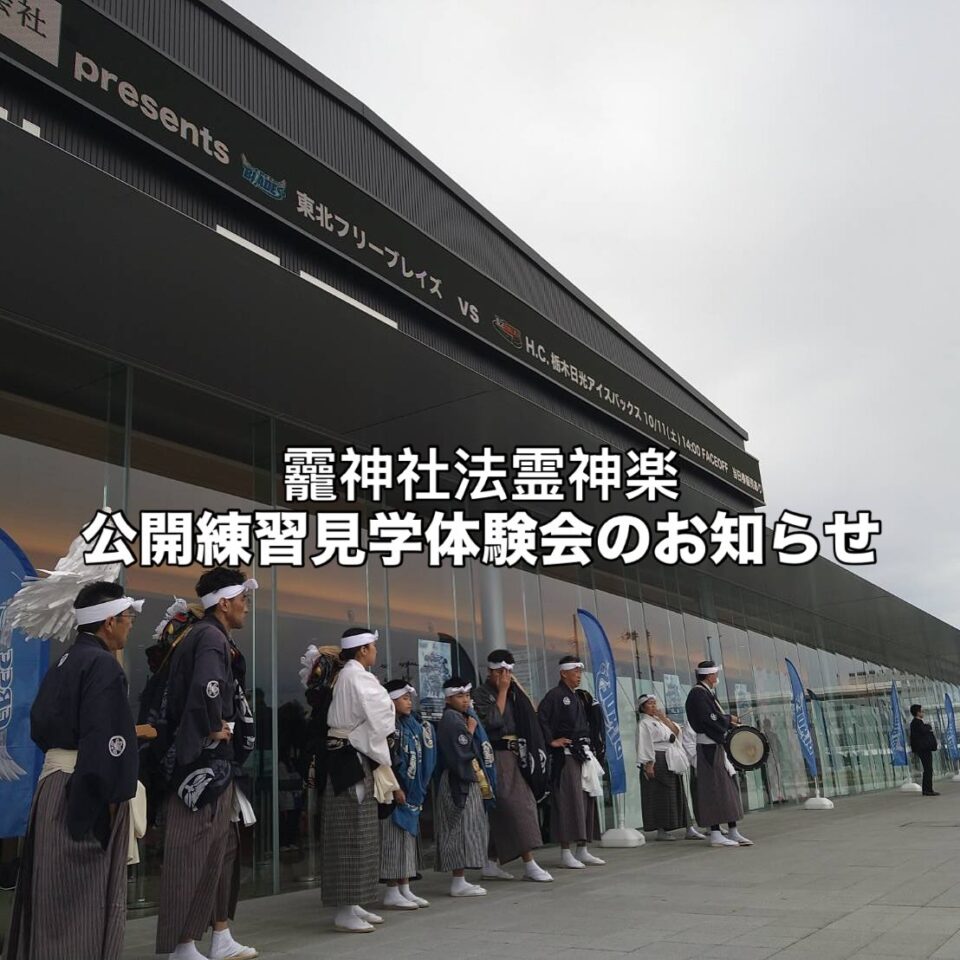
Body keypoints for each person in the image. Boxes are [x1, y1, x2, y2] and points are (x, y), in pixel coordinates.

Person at [7, 581, 142, 960]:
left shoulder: (66, 661)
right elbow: (105, 739)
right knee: (80, 904)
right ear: (109, 621)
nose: (131, 625)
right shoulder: (102, 665)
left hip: (54, 785)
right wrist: (103, 805)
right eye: (128, 617)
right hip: (81, 791)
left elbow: (40, 725)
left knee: (52, 902)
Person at [155, 568, 258, 960]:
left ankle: (207, 938)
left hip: (213, 765)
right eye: (243, 600)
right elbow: (206, 688)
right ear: (226, 602)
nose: (246, 607)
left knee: (216, 851)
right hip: (200, 764)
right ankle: (176, 946)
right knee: (191, 852)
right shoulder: (211, 637)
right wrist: (214, 725)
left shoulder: (210, 636)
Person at [319, 627, 399, 933]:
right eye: (373, 646)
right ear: (363, 650)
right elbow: (382, 715)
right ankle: (344, 908)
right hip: (347, 759)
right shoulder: (357, 676)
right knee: (349, 832)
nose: (376, 651)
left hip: (350, 756)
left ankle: (352, 902)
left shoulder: (350, 676)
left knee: (360, 831)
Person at [473, 650, 552, 883]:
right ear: (490, 671)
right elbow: (493, 722)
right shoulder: (480, 694)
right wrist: (504, 691)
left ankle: (490, 862)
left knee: (508, 808)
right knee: (517, 806)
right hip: (497, 755)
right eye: (500, 672)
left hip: (519, 754)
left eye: (508, 672)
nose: (504, 677)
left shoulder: (516, 693)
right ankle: (529, 863)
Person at [537, 656, 606, 869]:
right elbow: (541, 719)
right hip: (565, 756)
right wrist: (551, 741)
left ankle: (582, 849)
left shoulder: (578, 697)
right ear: (563, 673)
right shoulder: (555, 696)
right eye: (575, 671)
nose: (578, 675)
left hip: (583, 753)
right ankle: (565, 851)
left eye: (580, 671)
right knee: (568, 802)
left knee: (587, 800)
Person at [380, 680, 436, 910]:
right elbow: (386, 759)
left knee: (406, 842)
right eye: (404, 698)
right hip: (394, 790)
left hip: (413, 792)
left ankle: (405, 887)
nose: (409, 702)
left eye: (409, 698)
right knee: (393, 841)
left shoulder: (411, 724)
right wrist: (396, 786)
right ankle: (392, 890)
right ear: (391, 700)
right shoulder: (387, 725)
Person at [684, 660, 752, 848]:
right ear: (709, 675)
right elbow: (709, 719)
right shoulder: (698, 694)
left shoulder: (706, 693)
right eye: (715, 674)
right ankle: (715, 832)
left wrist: (728, 720)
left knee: (726, 788)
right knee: (713, 789)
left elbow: (715, 718)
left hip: (715, 746)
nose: (717, 678)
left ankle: (732, 830)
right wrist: (728, 719)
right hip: (707, 748)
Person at [434, 676, 491, 896]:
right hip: (458, 779)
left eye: (467, 695)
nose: (465, 700)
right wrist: (471, 730)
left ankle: (462, 879)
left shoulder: (460, 717)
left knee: (468, 828)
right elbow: (462, 751)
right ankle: (458, 881)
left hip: (465, 776)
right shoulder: (451, 719)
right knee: (458, 829)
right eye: (460, 696)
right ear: (449, 698)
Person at [636, 694, 703, 841]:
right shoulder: (644, 723)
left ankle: (689, 827)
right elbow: (645, 744)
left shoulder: (660, 721)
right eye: (649, 704)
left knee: (678, 791)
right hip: (657, 758)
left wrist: (664, 718)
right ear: (643, 707)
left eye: (654, 703)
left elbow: (676, 731)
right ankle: (661, 829)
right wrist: (649, 764)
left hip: (671, 756)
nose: (653, 706)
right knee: (659, 793)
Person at [909, 704, 939, 796]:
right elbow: (923, 731)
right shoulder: (916, 723)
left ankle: (928, 789)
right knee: (928, 769)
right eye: (922, 711)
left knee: (928, 769)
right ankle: (927, 790)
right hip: (923, 749)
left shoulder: (918, 723)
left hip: (923, 748)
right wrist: (928, 727)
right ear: (918, 712)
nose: (923, 713)